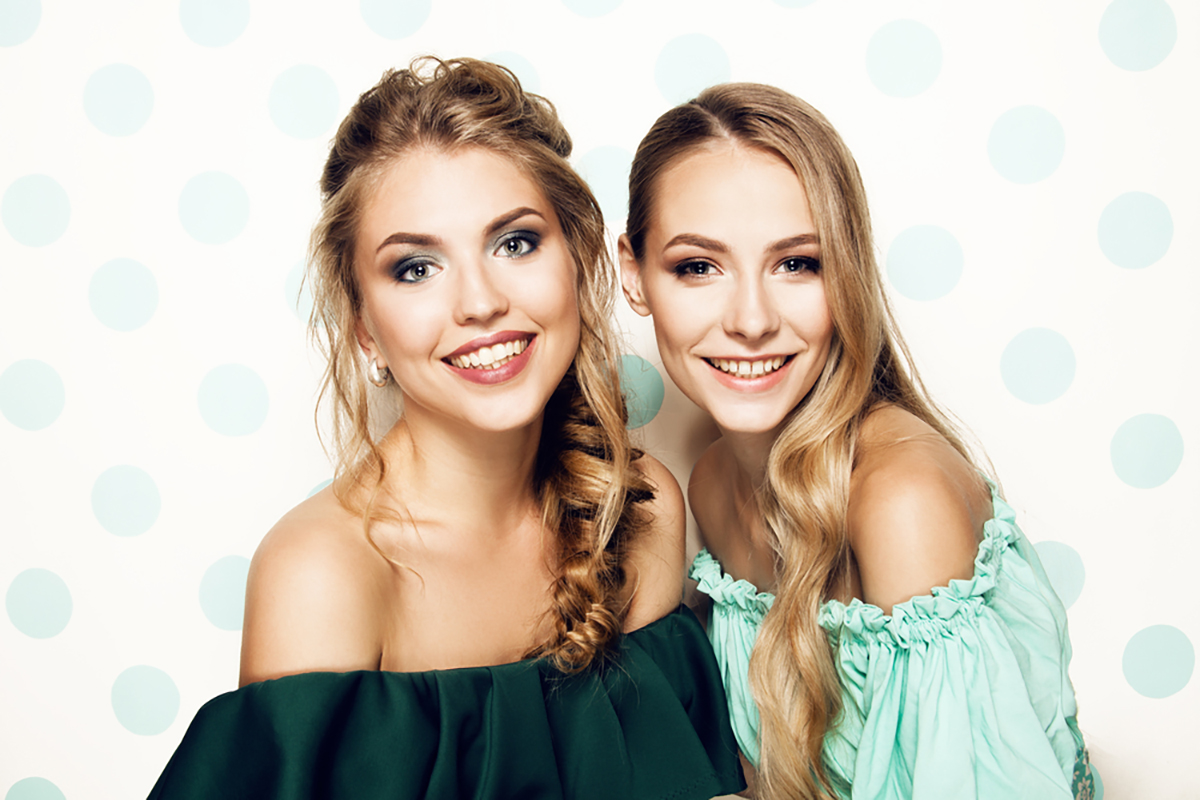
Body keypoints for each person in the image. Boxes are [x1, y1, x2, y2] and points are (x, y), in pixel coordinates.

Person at [148, 58, 743, 800]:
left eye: (515, 243)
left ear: (579, 260)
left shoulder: (637, 506)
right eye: (416, 268)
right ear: (364, 328)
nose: (479, 303)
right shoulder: (322, 575)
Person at [618, 82, 1093, 800]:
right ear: (634, 275)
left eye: (797, 263)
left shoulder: (900, 502)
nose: (752, 319)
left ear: (847, 270)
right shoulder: (711, 481)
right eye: (698, 267)